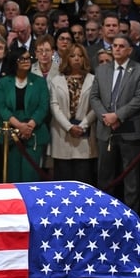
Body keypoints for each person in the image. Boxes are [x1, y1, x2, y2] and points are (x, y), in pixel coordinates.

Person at [89, 34, 140, 211]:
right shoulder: (102, 70)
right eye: (114, 46)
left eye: (121, 46)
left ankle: (131, 214)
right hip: (105, 127)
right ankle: (103, 212)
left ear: (129, 50)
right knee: (105, 174)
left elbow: (139, 99)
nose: (117, 49)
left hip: (130, 128)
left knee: (130, 175)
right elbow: (94, 97)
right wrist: (106, 116)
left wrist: (117, 116)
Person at [0, 46, 50, 182]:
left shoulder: (39, 82)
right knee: (12, 174)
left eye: (28, 58)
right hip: (11, 133)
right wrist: (19, 126)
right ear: (14, 61)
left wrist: (29, 126)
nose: (27, 61)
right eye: (22, 59)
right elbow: (1, 107)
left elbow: (43, 107)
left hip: (33, 133)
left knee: (30, 174)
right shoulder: (4, 82)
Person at [49, 43, 97, 184]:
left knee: (83, 179)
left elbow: (96, 106)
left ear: (84, 59)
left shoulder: (93, 80)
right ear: (66, 59)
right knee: (63, 180)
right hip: (62, 134)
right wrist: (69, 127)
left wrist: (82, 126)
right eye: (72, 55)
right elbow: (54, 106)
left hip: (85, 134)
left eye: (80, 55)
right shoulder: (56, 80)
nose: (76, 58)